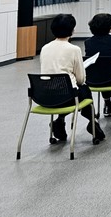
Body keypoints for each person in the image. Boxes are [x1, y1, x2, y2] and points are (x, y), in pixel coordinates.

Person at [40, 14, 105, 142]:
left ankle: (60, 120)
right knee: (84, 90)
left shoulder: (44, 48)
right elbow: (81, 79)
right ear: (72, 30)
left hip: (46, 96)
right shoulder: (74, 49)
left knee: (64, 89)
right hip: (67, 97)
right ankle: (93, 122)